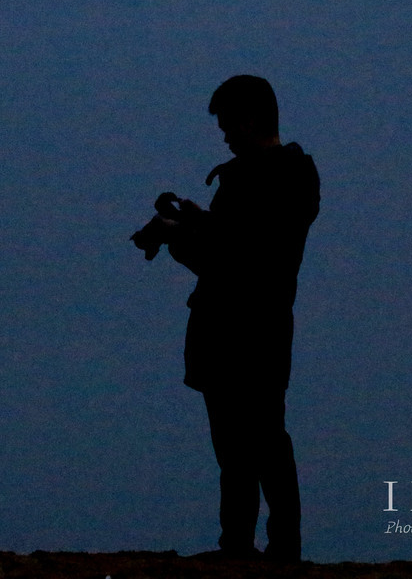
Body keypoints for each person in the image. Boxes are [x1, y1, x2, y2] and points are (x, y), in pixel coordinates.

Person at [130, 75, 319, 562]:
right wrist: (194, 224)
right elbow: (240, 243)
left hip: (247, 330)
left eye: (229, 126)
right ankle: (248, 547)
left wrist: (177, 233)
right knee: (244, 444)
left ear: (250, 119)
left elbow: (236, 258)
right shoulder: (281, 177)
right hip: (251, 328)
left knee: (257, 442)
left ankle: (269, 549)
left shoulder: (268, 179)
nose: (226, 137)